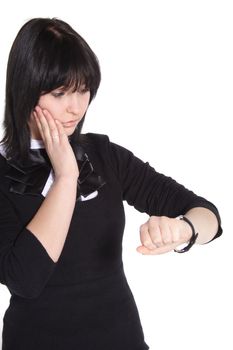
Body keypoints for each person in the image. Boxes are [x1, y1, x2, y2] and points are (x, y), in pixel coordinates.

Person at [0, 17, 222, 350]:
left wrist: (185, 229)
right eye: (60, 93)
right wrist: (66, 177)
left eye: (83, 90)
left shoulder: (103, 154)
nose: (76, 107)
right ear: (25, 89)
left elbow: (209, 216)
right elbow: (25, 279)